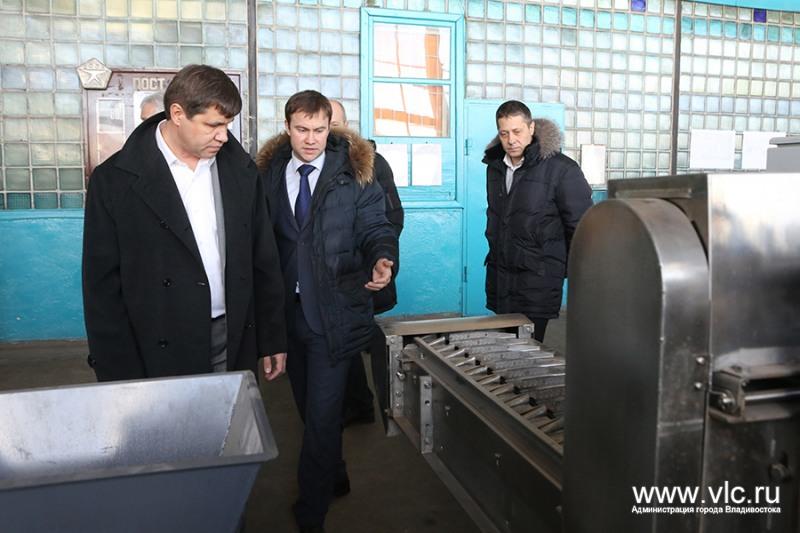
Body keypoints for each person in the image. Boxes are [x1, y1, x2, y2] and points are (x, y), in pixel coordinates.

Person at [83, 64, 288, 384]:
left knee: (228, 415)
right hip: (154, 344)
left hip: (231, 335)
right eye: (213, 125)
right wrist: (116, 370)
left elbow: (263, 257)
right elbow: (101, 286)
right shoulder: (114, 181)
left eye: (227, 124)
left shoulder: (242, 171)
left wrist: (273, 336)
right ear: (177, 114)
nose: (224, 136)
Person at [256, 90, 398, 533]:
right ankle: (334, 473)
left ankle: (312, 510)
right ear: (287, 128)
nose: (311, 139)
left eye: (319, 129)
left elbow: (377, 226)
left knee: (321, 415)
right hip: (288, 314)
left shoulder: (354, 174)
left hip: (334, 312)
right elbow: (260, 241)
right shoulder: (268, 174)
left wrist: (382, 258)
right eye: (302, 129)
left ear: (329, 127)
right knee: (309, 409)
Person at [482, 100, 592, 342]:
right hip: (502, 276)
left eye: (517, 131)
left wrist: (565, 270)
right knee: (506, 345)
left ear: (531, 128)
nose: (511, 140)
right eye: (504, 133)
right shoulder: (495, 167)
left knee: (529, 348)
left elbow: (582, 227)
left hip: (538, 278)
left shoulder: (562, 169)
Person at [329, 99, 404, 427]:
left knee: (359, 339)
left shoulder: (372, 163)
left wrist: (375, 257)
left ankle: (365, 408)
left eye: (334, 125)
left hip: (361, 274)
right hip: (328, 279)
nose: (327, 133)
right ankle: (356, 406)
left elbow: (391, 218)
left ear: (347, 126)